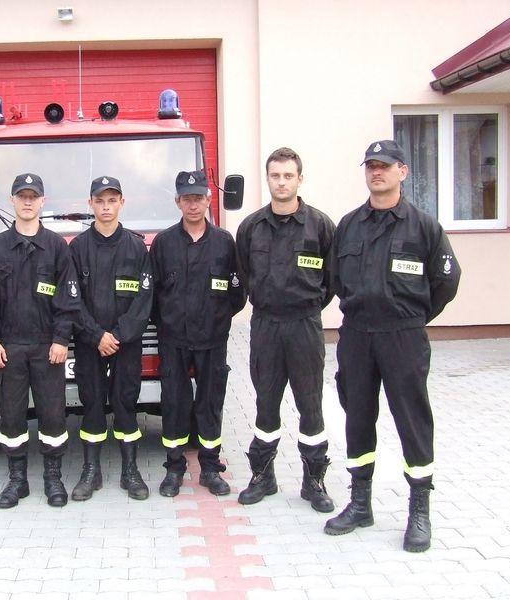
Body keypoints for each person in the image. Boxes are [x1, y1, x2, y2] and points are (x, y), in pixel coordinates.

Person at [324, 140, 461, 552]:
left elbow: (446, 282)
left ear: (402, 171)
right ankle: (360, 503)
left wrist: (413, 317)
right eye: (370, 166)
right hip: (358, 336)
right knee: (358, 418)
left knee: (412, 422)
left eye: (384, 166)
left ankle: (419, 511)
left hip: (403, 335)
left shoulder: (424, 227)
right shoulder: (348, 225)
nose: (376, 172)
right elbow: (333, 278)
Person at [235, 148, 336, 512]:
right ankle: (264, 476)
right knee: (266, 401)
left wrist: (305, 307)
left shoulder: (320, 225)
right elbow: (244, 274)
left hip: (305, 324)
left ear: (299, 179)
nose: (281, 182)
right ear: (268, 179)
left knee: (310, 403)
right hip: (265, 324)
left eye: (288, 176)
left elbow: (332, 279)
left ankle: (314, 481)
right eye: (275, 176)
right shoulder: (250, 227)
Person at [0, 173, 80, 508]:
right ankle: (17, 481)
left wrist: (61, 339)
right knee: (11, 417)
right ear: (12, 201)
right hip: (8, 348)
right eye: (21, 196)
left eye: (33, 196)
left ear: (42, 201)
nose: (27, 201)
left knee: (53, 416)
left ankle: (53, 479)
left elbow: (67, 299)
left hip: (47, 348)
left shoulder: (56, 248)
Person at [150, 170, 247, 497]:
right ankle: (174, 468)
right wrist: (168, 323)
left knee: (209, 403)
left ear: (209, 199)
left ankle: (209, 467)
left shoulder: (224, 242)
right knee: (174, 402)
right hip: (173, 340)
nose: (194, 205)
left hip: (212, 340)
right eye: (187, 198)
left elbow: (237, 292)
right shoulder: (163, 243)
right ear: (178, 201)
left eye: (199, 198)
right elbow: (153, 295)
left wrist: (216, 319)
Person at [68, 176, 152, 502]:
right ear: (90, 204)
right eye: (99, 201)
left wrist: (117, 336)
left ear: (121, 203)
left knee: (125, 404)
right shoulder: (77, 249)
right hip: (90, 344)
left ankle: (130, 471)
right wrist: (96, 335)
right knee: (91, 405)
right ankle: (92, 472)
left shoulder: (135, 247)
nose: (105, 207)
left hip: (125, 344)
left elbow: (145, 299)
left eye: (111, 200)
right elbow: (71, 300)